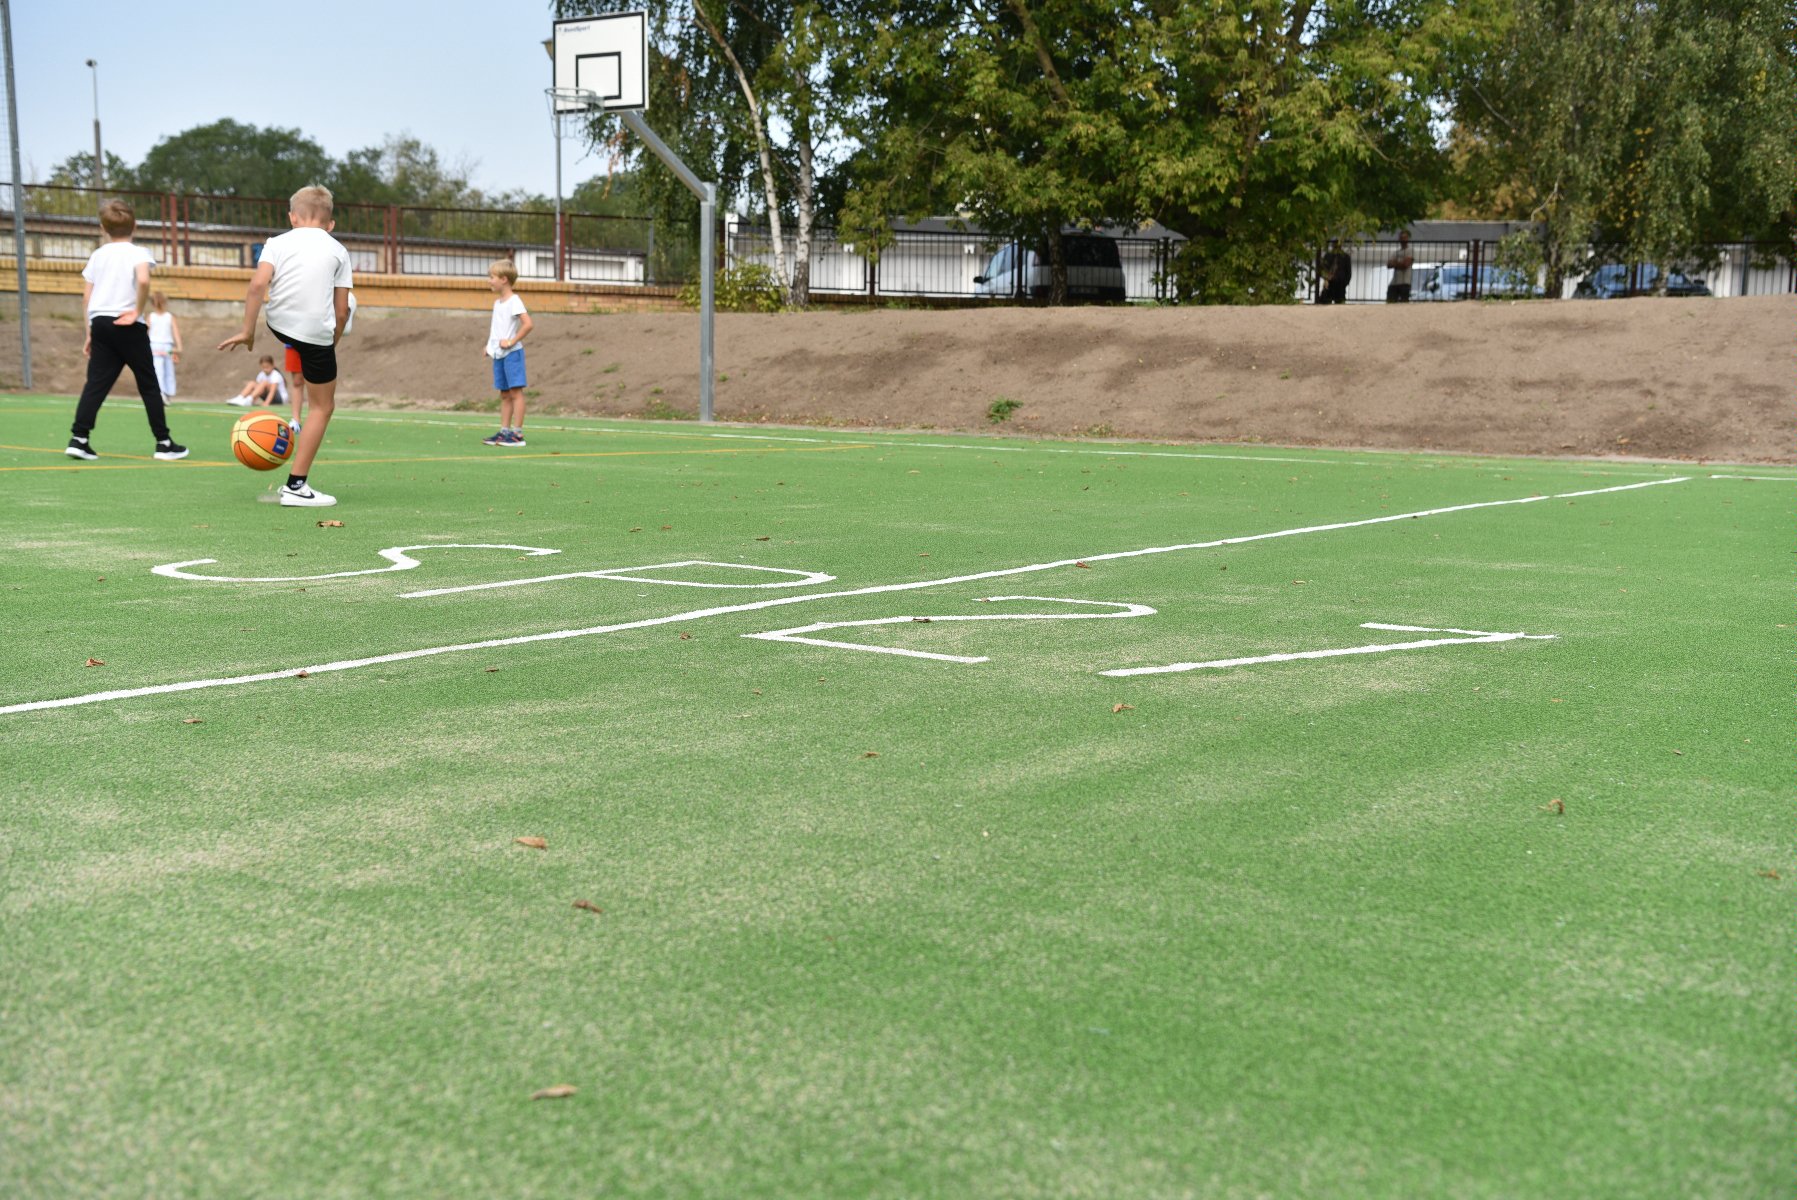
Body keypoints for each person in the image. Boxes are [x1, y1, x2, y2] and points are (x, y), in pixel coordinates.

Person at [218, 185, 351, 508]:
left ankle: (296, 483)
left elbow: (257, 285)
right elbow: (342, 310)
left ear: (292, 217)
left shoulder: (275, 242)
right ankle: (296, 486)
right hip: (314, 334)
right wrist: (329, 343)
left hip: (278, 324)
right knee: (322, 407)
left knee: (301, 358)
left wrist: (247, 331)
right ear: (330, 224)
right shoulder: (339, 250)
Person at [65, 200, 188, 461]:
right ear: (135, 225)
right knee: (149, 384)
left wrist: (89, 332)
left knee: (95, 384)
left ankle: (79, 438)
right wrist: (136, 310)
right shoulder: (138, 253)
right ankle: (163, 443)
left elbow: (87, 299)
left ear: (103, 228)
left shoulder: (98, 255)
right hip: (128, 325)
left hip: (100, 323)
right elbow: (143, 279)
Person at [481, 259, 534, 447]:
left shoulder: (514, 301)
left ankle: (517, 435)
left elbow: (528, 324)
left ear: (504, 279)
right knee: (504, 394)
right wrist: (490, 346)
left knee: (515, 393)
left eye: (492, 277)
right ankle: (504, 432)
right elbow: (497, 328)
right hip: (499, 356)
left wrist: (511, 341)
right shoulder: (498, 303)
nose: (489, 280)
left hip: (512, 355)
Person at [146, 291, 182, 399]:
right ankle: (168, 393)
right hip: (168, 347)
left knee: (158, 370)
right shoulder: (169, 316)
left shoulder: (151, 317)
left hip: (154, 347)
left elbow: (145, 332)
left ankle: (161, 392)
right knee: (168, 370)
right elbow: (176, 333)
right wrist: (179, 347)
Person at [1318, 239, 1352, 304]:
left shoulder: (1329, 256)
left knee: (1331, 301)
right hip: (1334, 282)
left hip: (1336, 282)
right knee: (1335, 301)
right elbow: (1349, 273)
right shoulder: (1345, 257)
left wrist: (1326, 279)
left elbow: (1348, 273)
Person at [1386, 231, 1415, 303]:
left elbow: (1405, 265)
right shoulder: (1396, 252)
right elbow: (1389, 264)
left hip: (1405, 281)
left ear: (1407, 239)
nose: (1403, 240)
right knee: (1390, 300)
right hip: (1395, 282)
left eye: (1404, 238)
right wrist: (1400, 263)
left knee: (1404, 302)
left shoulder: (1410, 251)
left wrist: (1395, 263)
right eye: (1401, 238)